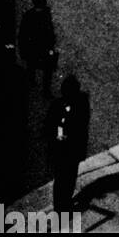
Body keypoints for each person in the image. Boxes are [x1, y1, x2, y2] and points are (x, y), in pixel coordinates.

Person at [46, 74, 90, 212]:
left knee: (65, 178)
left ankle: (62, 204)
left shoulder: (78, 103)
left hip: (69, 149)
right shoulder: (62, 105)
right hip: (65, 149)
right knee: (65, 178)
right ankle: (62, 205)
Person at [18, 0, 58, 95]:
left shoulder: (30, 15)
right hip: (40, 47)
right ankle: (43, 90)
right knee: (46, 69)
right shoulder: (45, 13)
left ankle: (34, 87)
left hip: (34, 48)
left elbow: (22, 34)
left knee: (34, 67)